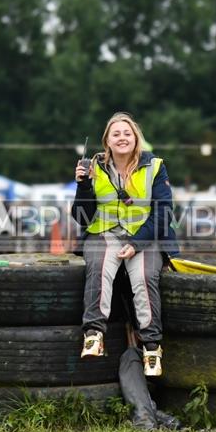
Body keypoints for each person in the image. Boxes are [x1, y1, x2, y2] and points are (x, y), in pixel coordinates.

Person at [71, 112, 180, 377]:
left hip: (146, 234)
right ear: (107, 141)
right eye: (116, 134)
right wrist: (83, 186)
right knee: (99, 267)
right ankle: (94, 334)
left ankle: (152, 347)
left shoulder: (155, 166)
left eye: (127, 133)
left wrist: (136, 243)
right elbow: (81, 216)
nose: (122, 138)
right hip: (105, 233)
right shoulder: (93, 167)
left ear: (136, 138)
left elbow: (164, 212)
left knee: (144, 277)